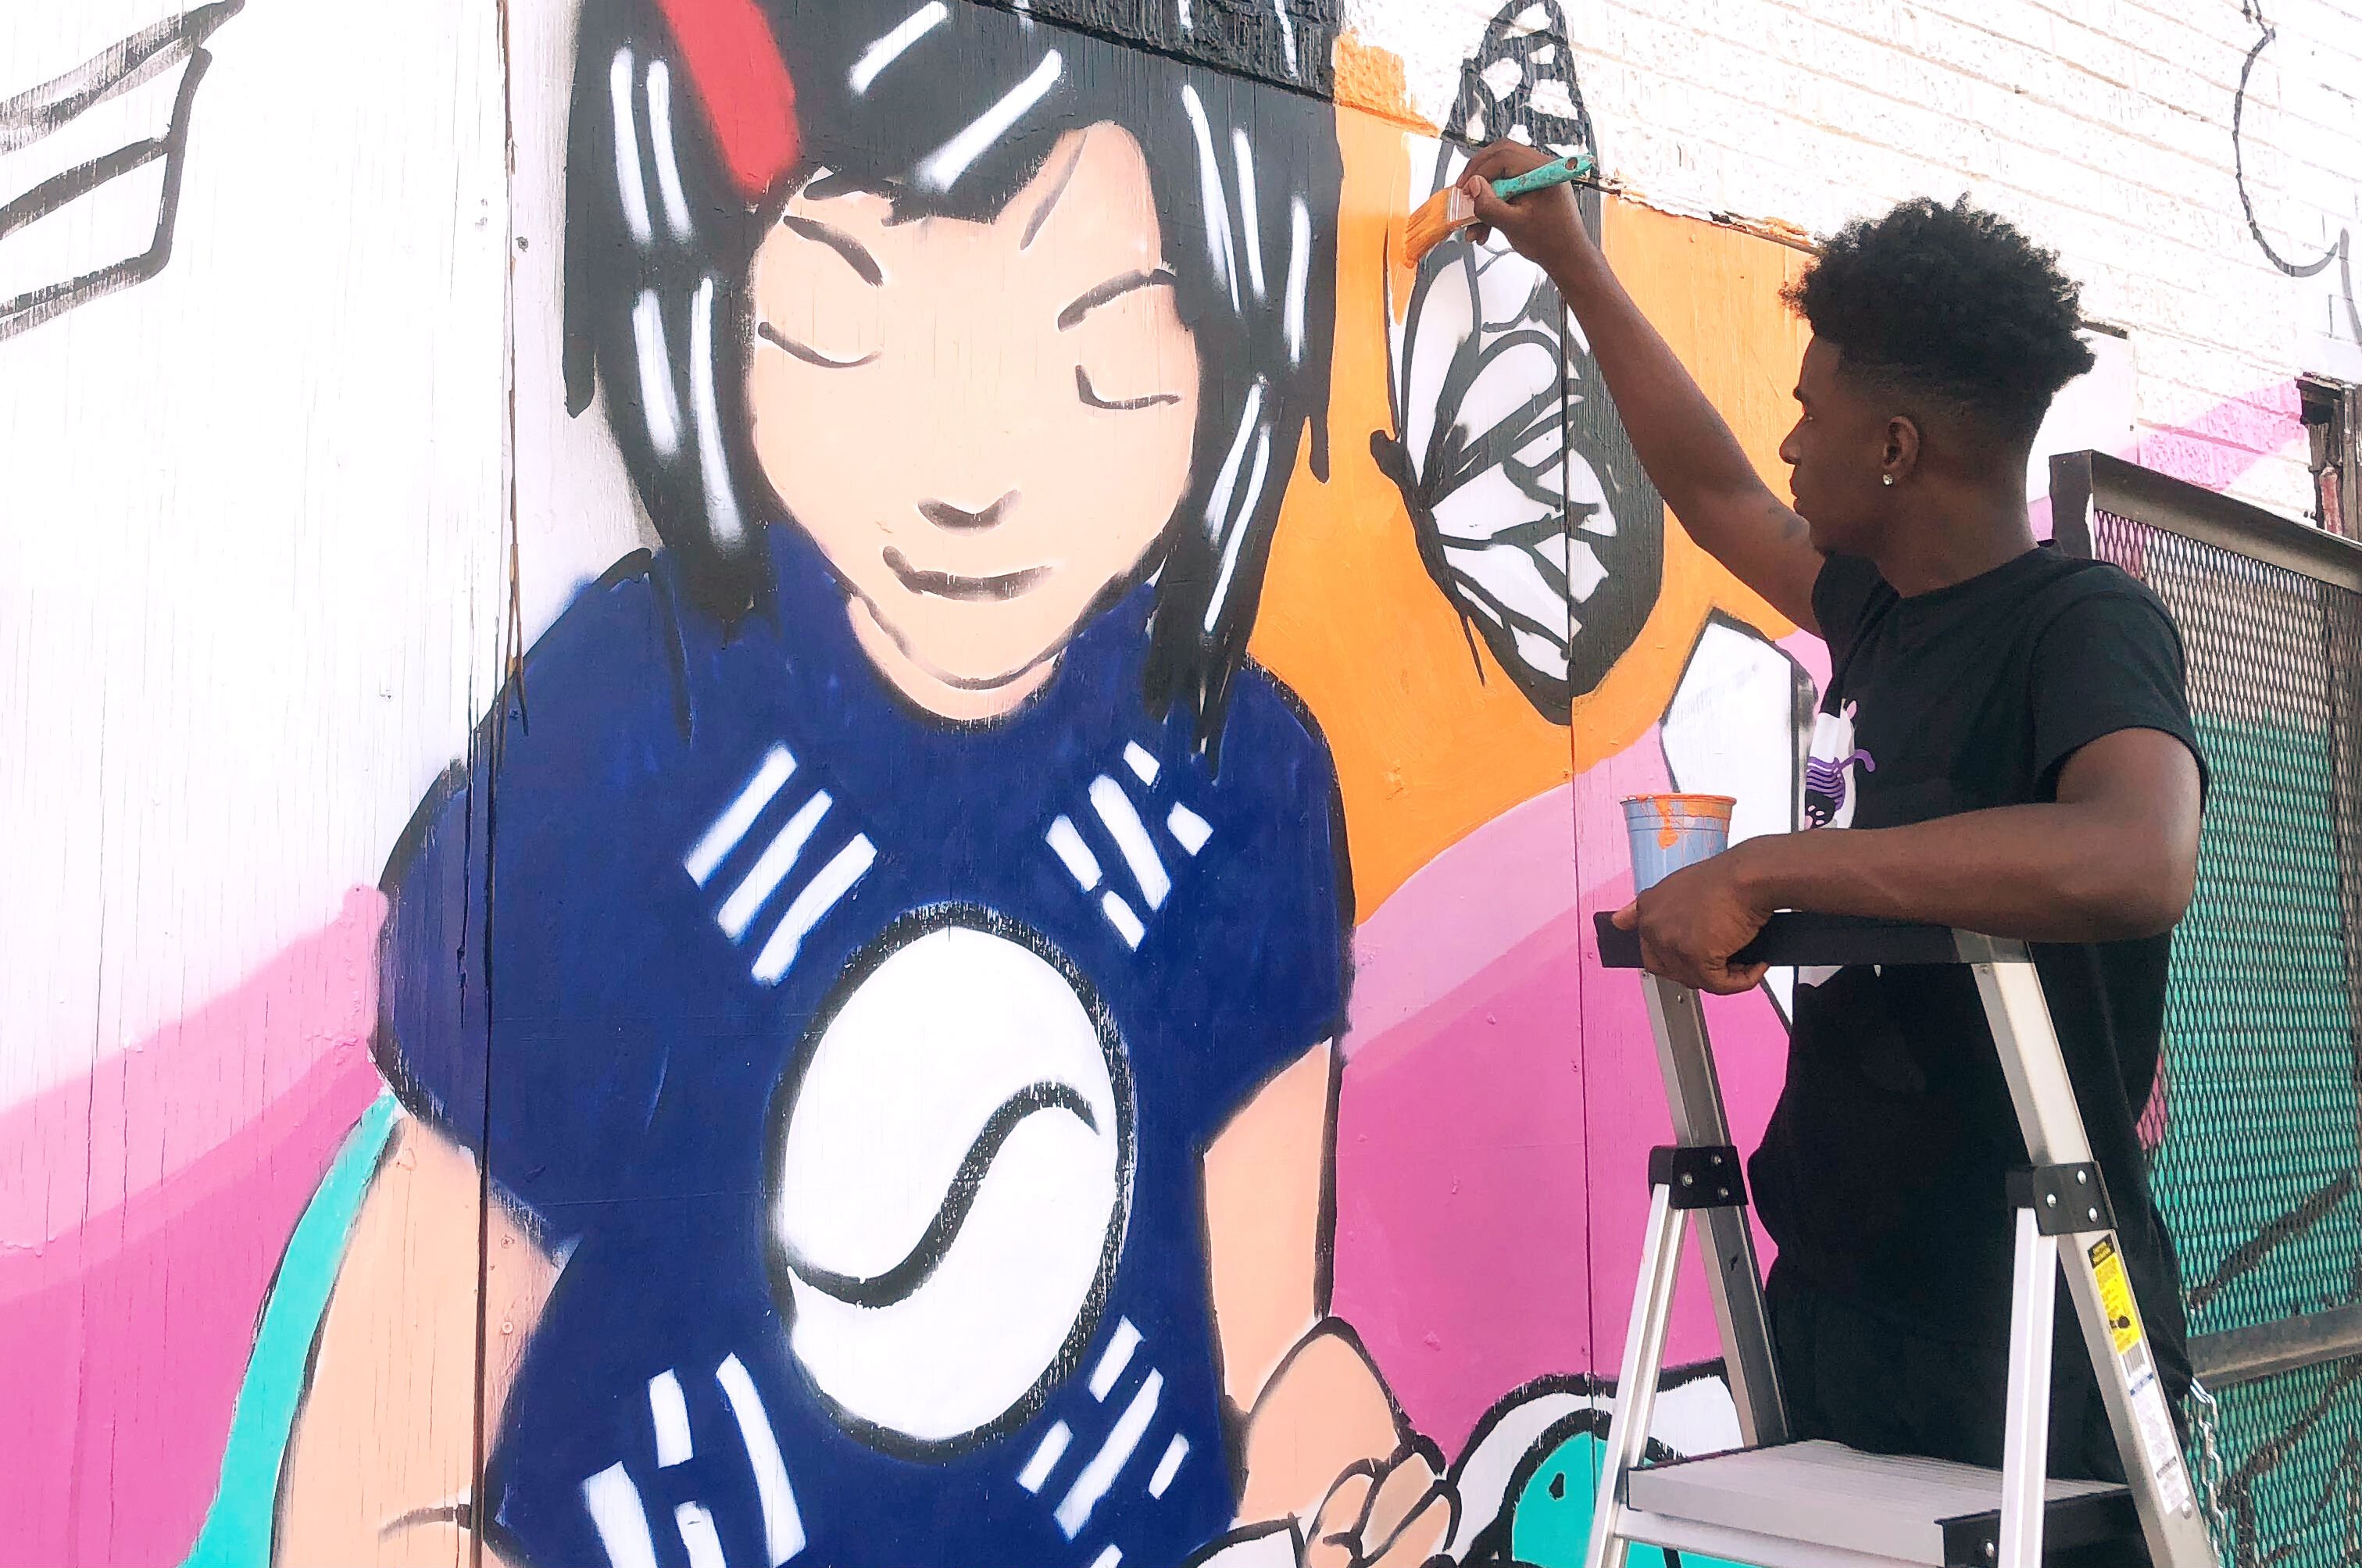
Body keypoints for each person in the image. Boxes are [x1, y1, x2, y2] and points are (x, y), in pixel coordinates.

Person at [273, 5, 1456, 1566]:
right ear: (717, 302)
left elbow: (1272, 1340)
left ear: (1228, 337)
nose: (971, 474)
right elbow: (382, 1485)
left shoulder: (1243, 774)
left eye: (1098, 352)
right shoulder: (618, 742)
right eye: (842, 323)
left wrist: (1340, 1464)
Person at [1460, 148, 2206, 1488]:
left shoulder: (2082, 625)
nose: (1791, 442)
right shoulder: (1875, 612)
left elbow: (2134, 855)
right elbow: (1717, 493)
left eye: (1812, 410)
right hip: (1850, 1297)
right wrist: (1574, 261)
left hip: (2033, 1316)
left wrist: (1767, 870)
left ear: (1896, 447)